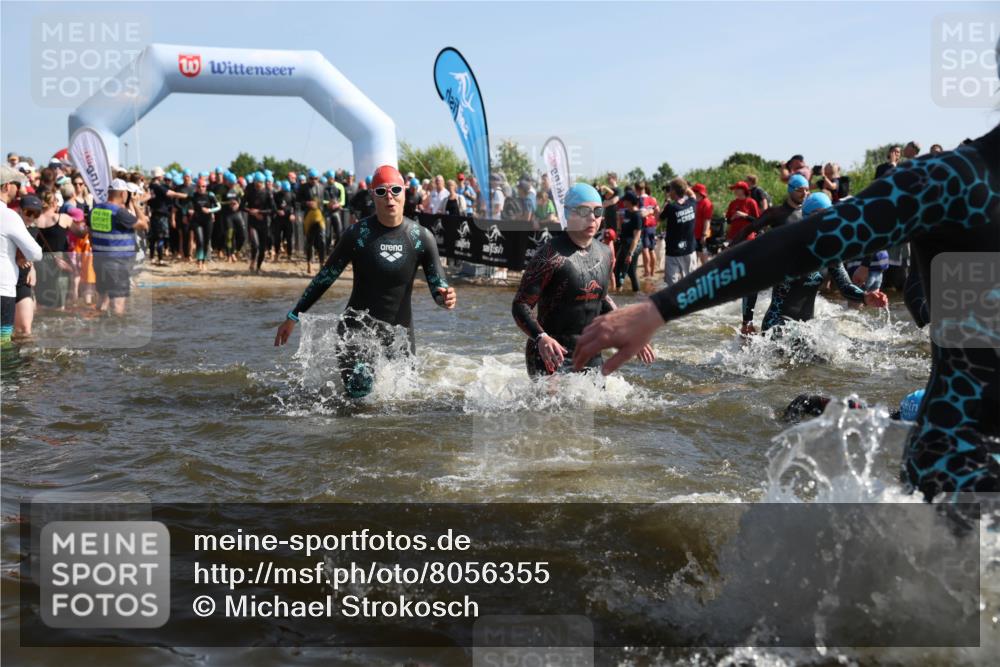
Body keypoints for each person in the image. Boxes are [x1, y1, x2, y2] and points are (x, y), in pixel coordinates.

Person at [571, 121, 999, 504]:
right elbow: (791, 246)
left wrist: (865, 297)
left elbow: (831, 266)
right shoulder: (952, 181)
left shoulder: (950, 181)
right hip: (964, 462)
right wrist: (661, 307)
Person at [274, 165, 456, 398]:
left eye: (395, 190)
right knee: (359, 401)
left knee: (403, 405)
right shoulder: (357, 234)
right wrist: (293, 316)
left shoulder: (421, 237)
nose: (389, 196)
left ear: (404, 192)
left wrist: (445, 298)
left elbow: (438, 287)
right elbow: (325, 278)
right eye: (381, 191)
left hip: (400, 337)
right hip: (357, 335)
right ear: (372, 196)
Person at [512, 183, 653, 377]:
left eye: (597, 211)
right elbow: (521, 305)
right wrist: (541, 337)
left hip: (591, 353)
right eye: (585, 211)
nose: (592, 218)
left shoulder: (604, 253)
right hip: (551, 353)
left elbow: (601, 299)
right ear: (569, 214)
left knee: (596, 406)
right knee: (551, 407)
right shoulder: (549, 256)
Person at [758, 193, 888, 335]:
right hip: (776, 325)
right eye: (820, 214)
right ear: (807, 216)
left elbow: (845, 286)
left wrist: (865, 296)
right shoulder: (787, 248)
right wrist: (747, 322)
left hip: (806, 328)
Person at [90, 178, 148, 316]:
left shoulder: (95, 209)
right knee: (118, 303)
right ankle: (117, 331)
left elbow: (89, 231)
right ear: (123, 194)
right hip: (117, 263)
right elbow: (143, 224)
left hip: (99, 260)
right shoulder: (119, 213)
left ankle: (99, 328)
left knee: (102, 300)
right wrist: (135, 204)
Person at [1, 166, 43, 343]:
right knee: (3, 344)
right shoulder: (9, 216)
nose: (18, 189)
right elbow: (35, 253)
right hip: (3, 289)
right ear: (6, 186)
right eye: (16, 185)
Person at [659, 178, 698, 286]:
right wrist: (684, 186)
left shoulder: (671, 207)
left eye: (670, 190)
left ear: (673, 192)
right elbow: (692, 194)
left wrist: (666, 200)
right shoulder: (692, 203)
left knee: (672, 286)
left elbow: (659, 217)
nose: (669, 192)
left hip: (673, 252)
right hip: (689, 250)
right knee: (691, 282)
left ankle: (675, 303)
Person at [243, 173, 274, 274]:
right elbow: (241, 207)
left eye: (260, 183)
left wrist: (259, 212)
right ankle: (252, 261)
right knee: (255, 245)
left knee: (262, 247)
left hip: (263, 223)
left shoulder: (267, 192)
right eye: (257, 182)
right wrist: (251, 211)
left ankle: (258, 267)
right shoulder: (249, 191)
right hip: (252, 222)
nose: (258, 185)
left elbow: (272, 210)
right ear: (254, 182)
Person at [190, 178, 220, 272]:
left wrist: (210, 211)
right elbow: (186, 205)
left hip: (208, 221)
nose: (201, 188)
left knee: (206, 242)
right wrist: (187, 211)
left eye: (203, 186)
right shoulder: (193, 195)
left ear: (206, 187)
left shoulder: (210, 195)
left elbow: (219, 207)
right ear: (196, 187)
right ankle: (199, 261)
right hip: (197, 221)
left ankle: (203, 262)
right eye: (199, 186)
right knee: (200, 240)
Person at [615, 192, 643, 292]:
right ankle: (619, 291)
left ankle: (637, 294)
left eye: (625, 200)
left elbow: (636, 237)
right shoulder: (627, 212)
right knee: (617, 268)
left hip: (633, 246)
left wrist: (630, 254)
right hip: (625, 244)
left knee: (631, 271)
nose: (623, 202)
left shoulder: (637, 216)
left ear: (630, 202)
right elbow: (622, 229)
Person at [691, 183, 713, 266]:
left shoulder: (706, 203)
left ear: (698, 192)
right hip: (693, 234)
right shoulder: (694, 202)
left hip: (702, 234)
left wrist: (704, 235)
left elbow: (707, 220)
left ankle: (707, 272)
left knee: (703, 256)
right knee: (693, 256)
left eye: (694, 191)